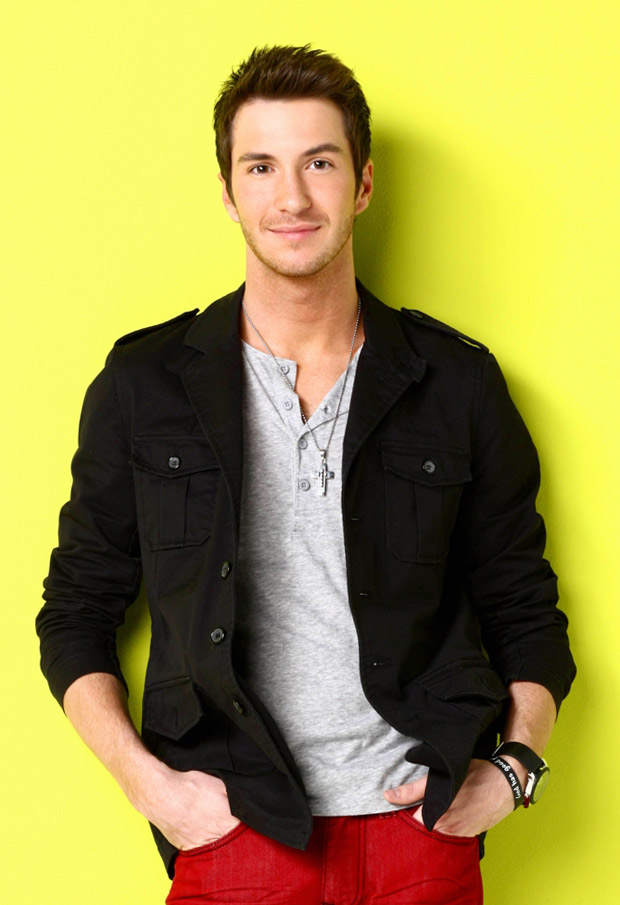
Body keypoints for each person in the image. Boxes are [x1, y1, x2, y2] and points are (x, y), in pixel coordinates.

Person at [37, 44, 576, 905]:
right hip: (237, 829)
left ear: (362, 184)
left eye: (319, 163)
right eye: (261, 166)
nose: (291, 197)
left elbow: (524, 605)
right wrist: (152, 787)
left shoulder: (457, 383)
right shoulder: (145, 385)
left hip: (419, 835)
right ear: (228, 191)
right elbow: (74, 611)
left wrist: (513, 771)